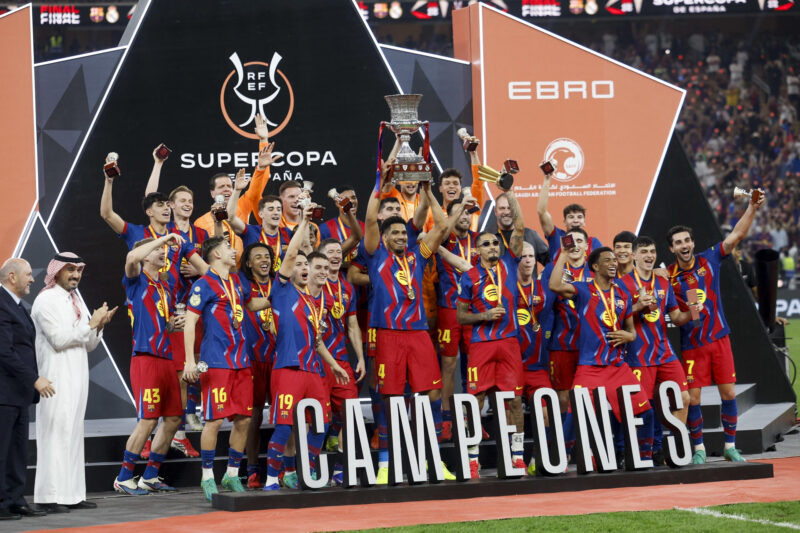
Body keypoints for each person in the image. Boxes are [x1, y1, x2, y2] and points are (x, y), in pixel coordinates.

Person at [364, 166, 454, 484]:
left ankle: (434, 460)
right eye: (396, 233)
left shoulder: (417, 255)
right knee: (391, 397)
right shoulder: (375, 256)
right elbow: (372, 214)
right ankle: (386, 463)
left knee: (431, 392)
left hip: (417, 333)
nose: (402, 236)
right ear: (385, 238)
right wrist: (381, 184)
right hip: (388, 334)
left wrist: (428, 192)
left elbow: (442, 227)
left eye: (404, 232)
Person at [667, 190, 765, 464]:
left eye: (687, 240)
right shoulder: (667, 277)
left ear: (692, 243)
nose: (684, 245)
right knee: (694, 399)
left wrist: (752, 208)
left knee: (729, 393)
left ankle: (730, 446)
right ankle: (698, 449)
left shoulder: (709, 258)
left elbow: (736, 236)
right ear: (672, 249)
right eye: (678, 242)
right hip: (692, 346)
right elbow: (673, 316)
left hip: (719, 339)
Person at [261, 207, 350, 491]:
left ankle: (308, 473)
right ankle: (272, 479)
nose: (301, 268)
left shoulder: (316, 303)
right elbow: (289, 256)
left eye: (305, 265)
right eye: (301, 265)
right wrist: (305, 221)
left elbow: (318, 341)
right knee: (285, 426)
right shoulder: (283, 291)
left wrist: (334, 364)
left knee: (321, 425)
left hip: (314, 371)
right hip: (288, 369)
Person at [549, 246, 656, 465]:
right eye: (608, 260)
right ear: (596, 266)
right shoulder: (584, 290)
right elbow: (554, 285)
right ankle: (560, 458)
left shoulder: (623, 294)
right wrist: (562, 255)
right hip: (590, 367)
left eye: (615, 260)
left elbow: (631, 331)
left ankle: (643, 457)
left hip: (617, 367)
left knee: (645, 411)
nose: (614, 263)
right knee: (574, 412)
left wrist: (628, 336)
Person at [183, 236, 270, 501]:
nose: (235, 251)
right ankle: (207, 476)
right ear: (216, 254)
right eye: (229, 248)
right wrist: (189, 360)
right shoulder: (203, 284)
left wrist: (274, 298)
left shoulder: (236, 282)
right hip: (216, 362)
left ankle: (232, 474)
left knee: (244, 418)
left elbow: (249, 305)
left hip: (241, 361)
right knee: (215, 420)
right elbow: (189, 322)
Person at [113, 234, 196, 496]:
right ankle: (124, 477)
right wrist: (166, 237)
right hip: (145, 358)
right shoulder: (136, 280)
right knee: (148, 421)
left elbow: (161, 321)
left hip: (166, 359)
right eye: (158, 250)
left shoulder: (166, 285)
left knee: (173, 418)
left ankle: (149, 476)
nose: (164, 253)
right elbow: (131, 257)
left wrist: (172, 325)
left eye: (165, 249)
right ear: (146, 255)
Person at [32, 253, 116, 512]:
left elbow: (88, 344)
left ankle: (72, 495)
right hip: (54, 377)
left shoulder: (74, 299)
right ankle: (49, 497)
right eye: (70, 270)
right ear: (56, 272)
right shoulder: (45, 300)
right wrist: (89, 324)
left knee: (73, 435)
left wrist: (99, 326)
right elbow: (58, 339)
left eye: (78, 270)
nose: (75, 276)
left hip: (77, 375)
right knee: (55, 435)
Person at [456, 189, 525, 477]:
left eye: (495, 243)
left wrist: (509, 190)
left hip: (508, 342)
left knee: (516, 400)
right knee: (476, 400)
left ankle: (518, 455)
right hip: (482, 344)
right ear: (477, 250)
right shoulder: (469, 276)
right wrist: (483, 315)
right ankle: (472, 458)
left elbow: (519, 226)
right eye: (486, 244)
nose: (493, 247)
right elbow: (460, 315)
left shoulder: (509, 263)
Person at [618, 236, 698, 465]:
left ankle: (675, 448)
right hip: (637, 356)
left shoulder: (664, 284)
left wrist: (694, 311)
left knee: (684, 397)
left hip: (664, 353)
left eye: (652, 251)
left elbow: (675, 317)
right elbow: (615, 319)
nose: (649, 256)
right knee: (640, 408)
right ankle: (640, 453)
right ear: (633, 256)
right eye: (643, 252)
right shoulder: (623, 284)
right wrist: (636, 307)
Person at [0, 259, 53, 520]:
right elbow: (4, 352)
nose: (33, 279)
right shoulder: (1, 303)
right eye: (29, 275)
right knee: (2, 449)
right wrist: (34, 379)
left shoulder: (18, 307)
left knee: (17, 450)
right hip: (4, 392)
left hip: (17, 393)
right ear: (12, 277)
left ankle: (14, 498)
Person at [194, 115, 279, 257]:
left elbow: (257, 185)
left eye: (229, 185)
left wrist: (263, 142)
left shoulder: (243, 205)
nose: (227, 189)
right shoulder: (200, 222)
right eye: (221, 187)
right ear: (212, 193)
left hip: (244, 271)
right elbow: (201, 252)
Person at [318, 237, 366, 482]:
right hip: (317, 362)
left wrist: (360, 357)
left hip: (341, 360)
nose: (336, 256)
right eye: (330, 252)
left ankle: (340, 467)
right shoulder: (312, 285)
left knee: (351, 414)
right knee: (317, 418)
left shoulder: (347, 288)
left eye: (339, 252)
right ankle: (310, 468)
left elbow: (352, 323)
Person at [238, 243, 277, 489]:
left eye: (267, 256)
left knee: (286, 414)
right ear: (249, 263)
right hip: (252, 359)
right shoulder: (242, 285)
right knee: (253, 415)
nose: (264, 260)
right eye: (258, 257)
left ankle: (284, 465)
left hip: (278, 358)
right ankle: (252, 469)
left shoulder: (281, 283)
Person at [516, 242, 553, 475]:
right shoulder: (506, 288)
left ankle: (539, 458)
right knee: (512, 411)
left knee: (547, 411)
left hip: (537, 367)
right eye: (523, 256)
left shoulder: (544, 289)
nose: (529, 260)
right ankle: (516, 457)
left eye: (531, 256)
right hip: (513, 366)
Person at [537, 165, 603, 264]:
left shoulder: (593, 242)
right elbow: (541, 211)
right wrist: (547, 179)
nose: (575, 220)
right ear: (564, 222)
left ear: (584, 222)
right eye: (571, 217)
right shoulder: (556, 236)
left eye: (579, 217)